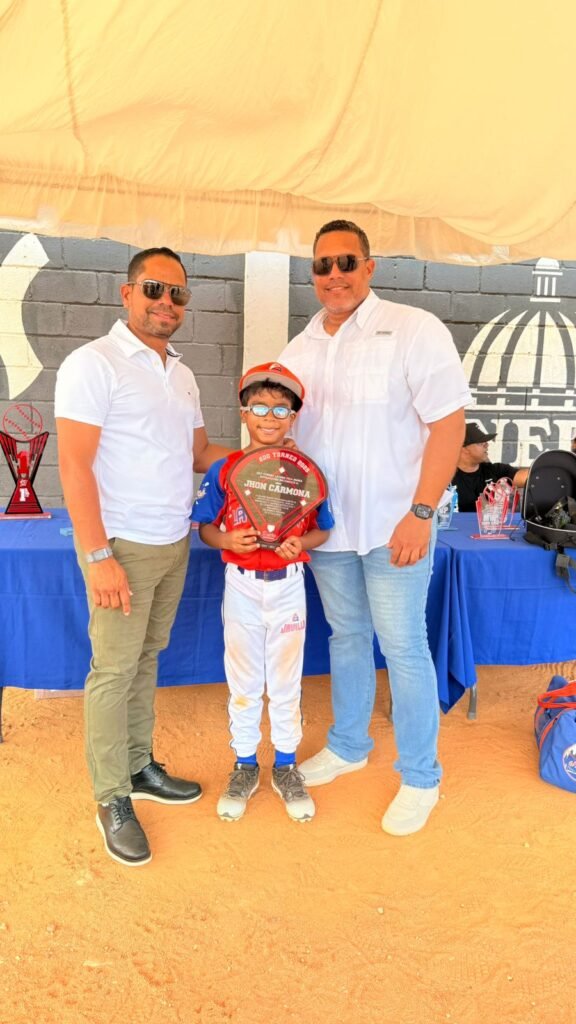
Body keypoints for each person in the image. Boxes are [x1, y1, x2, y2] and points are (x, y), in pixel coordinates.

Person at [278, 219, 471, 836]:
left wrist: (420, 513)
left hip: (397, 529)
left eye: (345, 262)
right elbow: (281, 440)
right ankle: (349, 745)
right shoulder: (298, 348)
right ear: (312, 273)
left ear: (370, 266)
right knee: (346, 638)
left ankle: (421, 777)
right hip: (329, 532)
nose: (333, 275)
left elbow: (448, 425)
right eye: (322, 265)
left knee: (406, 649)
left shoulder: (413, 329)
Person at [55, 246, 230, 867]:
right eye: (155, 290)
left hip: (171, 538)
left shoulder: (180, 372)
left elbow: (199, 450)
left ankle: (136, 766)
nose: (167, 303)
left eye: (178, 294)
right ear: (127, 294)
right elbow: (73, 464)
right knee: (112, 671)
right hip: (121, 545)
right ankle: (110, 797)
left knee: (146, 659)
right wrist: (98, 554)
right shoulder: (93, 363)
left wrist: (261, 461)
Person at [191, 362, 334, 824]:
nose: (269, 416)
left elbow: (322, 531)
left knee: (287, 683)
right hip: (242, 587)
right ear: (243, 412)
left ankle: (287, 766)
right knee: (245, 682)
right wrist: (227, 541)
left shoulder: (305, 472)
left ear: (293, 416)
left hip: (289, 585)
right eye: (258, 406)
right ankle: (246, 765)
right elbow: (206, 528)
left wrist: (301, 543)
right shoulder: (226, 469)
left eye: (280, 408)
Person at [452, 422, 529, 512]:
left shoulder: (496, 470)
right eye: (481, 443)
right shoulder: (444, 477)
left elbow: (531, 478)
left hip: (488, 525)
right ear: (463, 448)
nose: (487, 445)